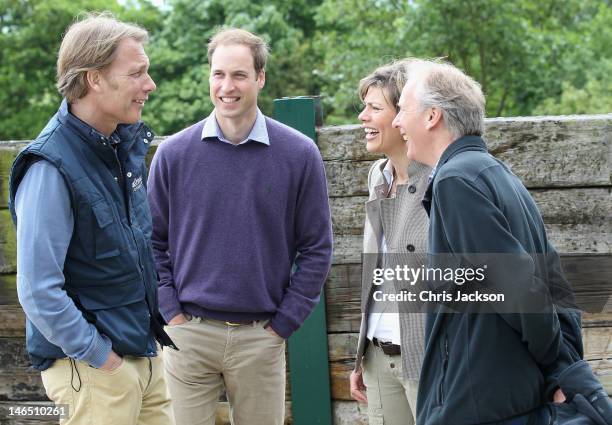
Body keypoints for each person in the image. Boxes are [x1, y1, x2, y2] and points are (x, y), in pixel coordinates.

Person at [147, 27, 333, 425]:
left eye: (239, 75)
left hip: (259, 337)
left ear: (260, 78)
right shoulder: (173, 155)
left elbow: (317, 248)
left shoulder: (299, 154)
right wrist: (171, 314)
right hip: (188, 335)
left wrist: (282, 326)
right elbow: (151, 242)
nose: (226, 86)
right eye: (218, 74)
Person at [391, 58, 584, 425]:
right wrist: (565, 366)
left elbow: (523, 290)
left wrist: (563, 371)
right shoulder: (496, 173)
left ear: (432, 116)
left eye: (402, 110)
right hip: (505, 398)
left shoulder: (456, 181)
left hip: (479, 405)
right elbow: (555, 285)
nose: (398, 122)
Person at [8, 13, 175, 425]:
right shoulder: (49, 167)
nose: (149, 85)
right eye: (137, 73)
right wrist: (105, 360)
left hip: (145, 358)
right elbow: (37, 290)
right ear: (94, 78)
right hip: (97, 372)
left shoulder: (121, 149)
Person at [349, 60, 431, 425]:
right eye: (364, 106)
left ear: (405, 117)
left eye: (375, 108)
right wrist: (361, 355)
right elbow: (377, 275)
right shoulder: (377, 176)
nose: (363, 117)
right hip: (378, 357)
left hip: (426, 359)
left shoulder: (442, 180)